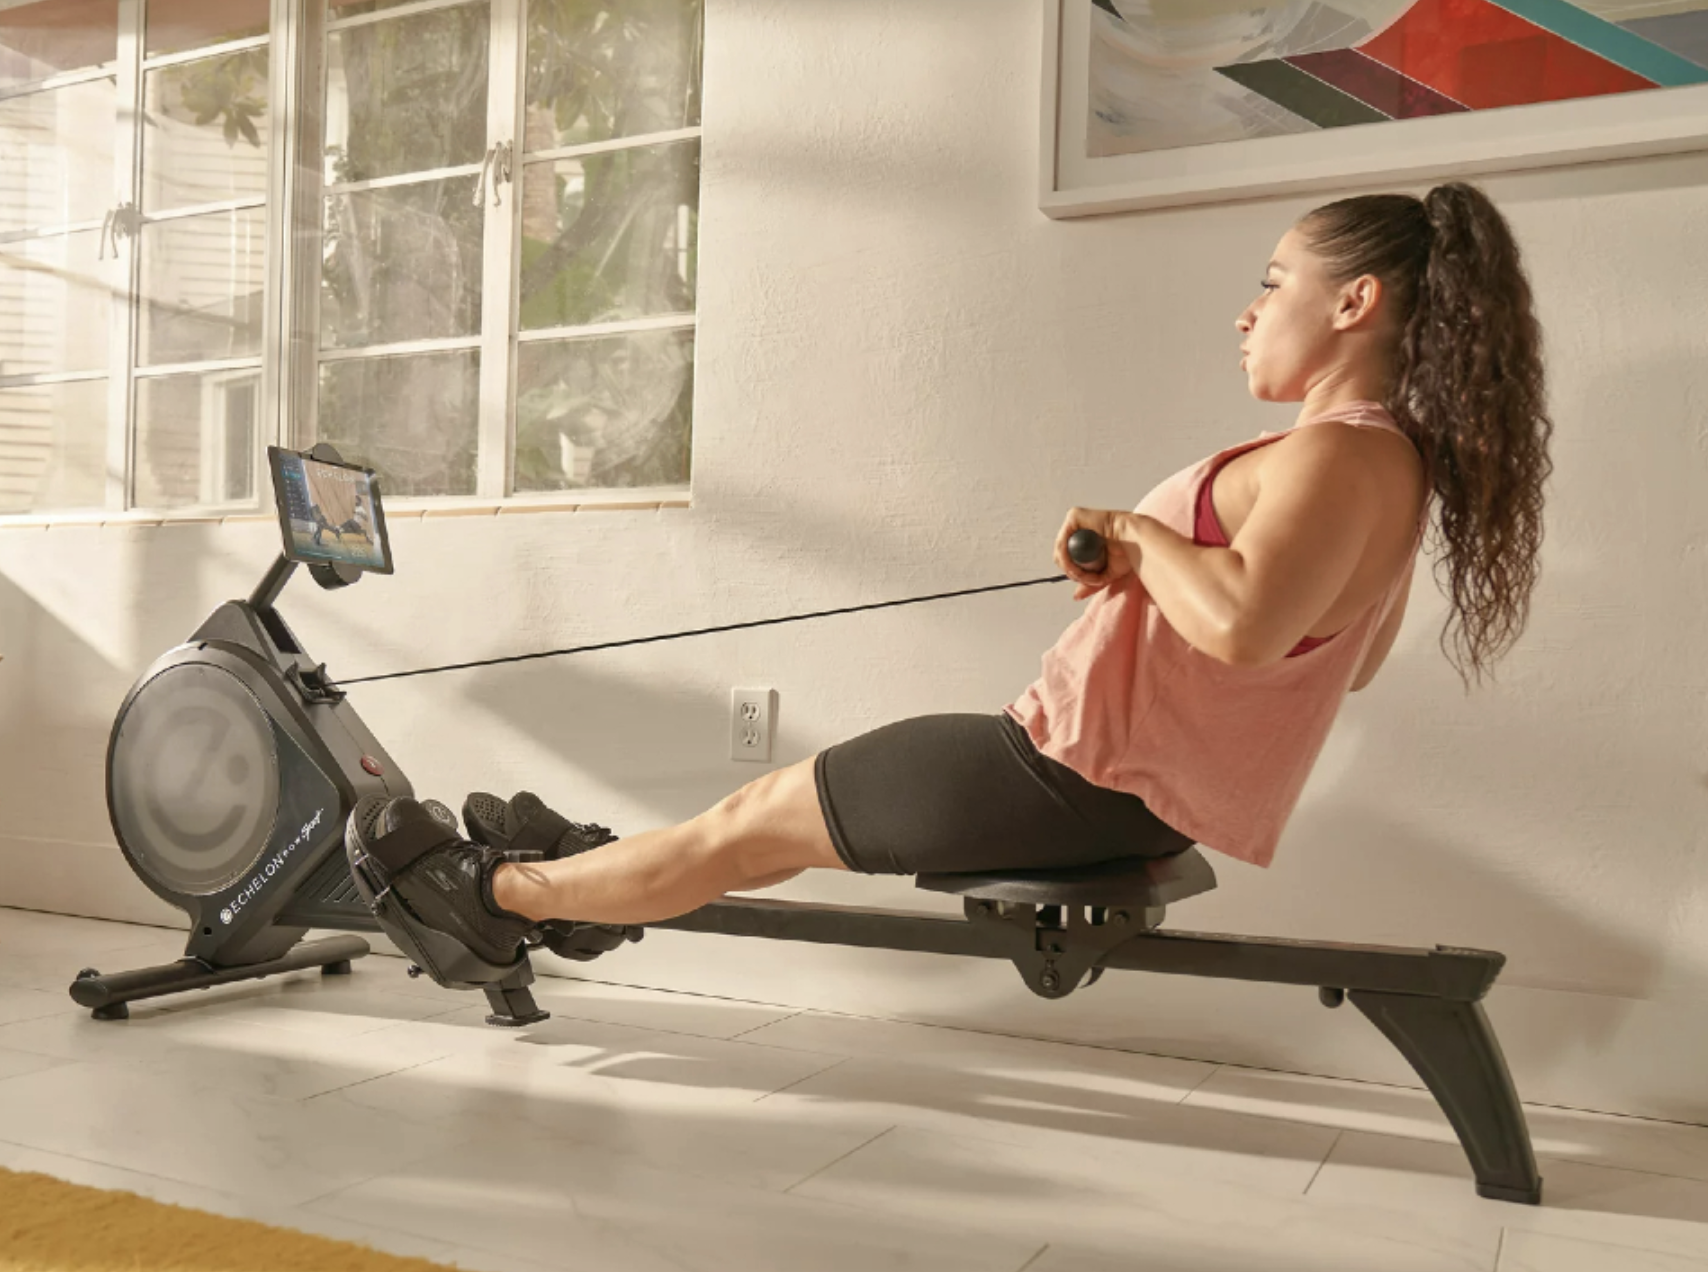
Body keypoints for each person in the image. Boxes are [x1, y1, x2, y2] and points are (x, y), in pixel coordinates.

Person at [348, 181, 1554, 974]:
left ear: (1354, 301)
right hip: (1107, 784)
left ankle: (488, 895)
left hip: (1063, 773)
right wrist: (1162, 571)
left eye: (1273, 282)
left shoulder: (1335, 454)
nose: (1248, 313)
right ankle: (579, 881)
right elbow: (1337, 658)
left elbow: (1242, 629)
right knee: (754, 833)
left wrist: (1137, 541)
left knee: (744, 824)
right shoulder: (1395, 464)